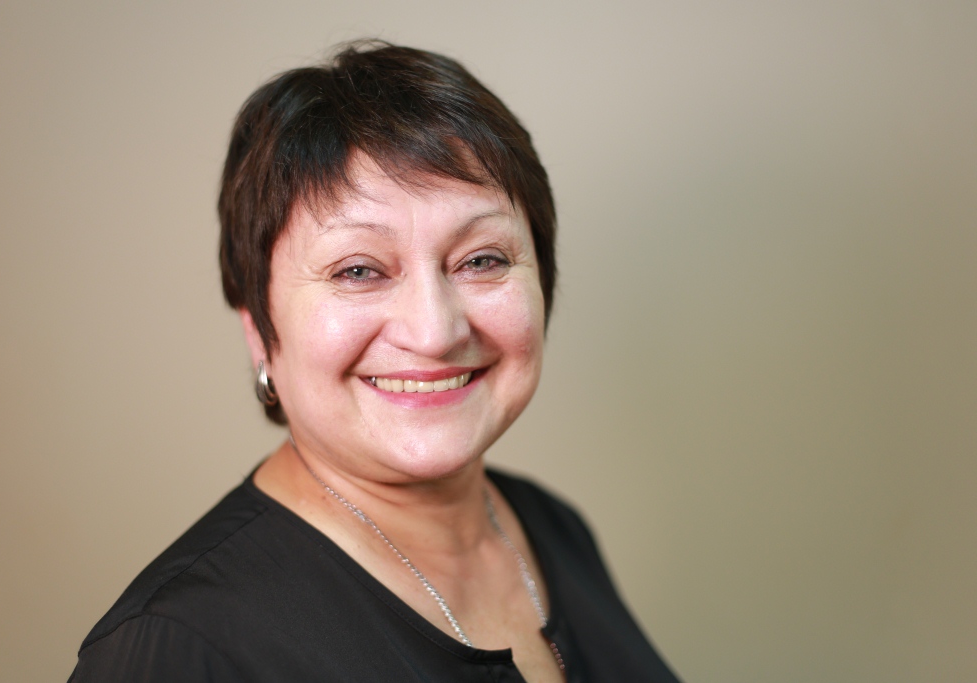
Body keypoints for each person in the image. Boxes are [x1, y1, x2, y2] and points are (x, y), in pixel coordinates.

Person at [70, 41, 681, 682]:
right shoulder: (177, 645)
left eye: (482, 260)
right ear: (259, 328)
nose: (435, 332)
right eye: (358, 270)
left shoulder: (553, 529)